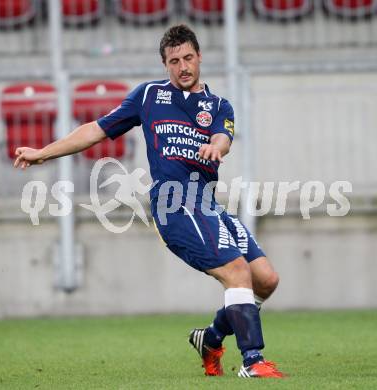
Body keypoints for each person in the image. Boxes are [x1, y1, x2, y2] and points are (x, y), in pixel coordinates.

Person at [14, 24, 284, 379]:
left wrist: (216, 147)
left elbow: (223, 138)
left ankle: (212, 338)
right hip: (172, 204)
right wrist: (44, 154)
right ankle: (252, 361)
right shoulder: (148, 97)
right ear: (165, 64)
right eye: (174, 61)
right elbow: (96, 129)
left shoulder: (219, 105)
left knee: (265, 279)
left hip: (206, 202)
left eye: (188, 58)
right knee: (236, 272)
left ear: (199, 57)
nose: (183, 66)